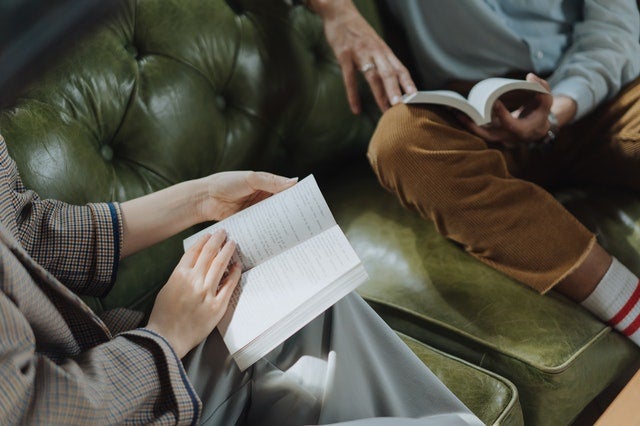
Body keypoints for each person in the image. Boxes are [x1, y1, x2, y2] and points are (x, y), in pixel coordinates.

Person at [0, 130, 485, 425]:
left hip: (109, 358)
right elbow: (30, 413)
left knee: (303, 299)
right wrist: (164, 336)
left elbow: (22, 229)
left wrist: (201, 199)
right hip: (101, 397)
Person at [309, 0, 640, 346]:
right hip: (473, 124)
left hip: (593, 98)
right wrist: (336, 10)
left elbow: (613, 30)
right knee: (399, 141)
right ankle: (631, 306)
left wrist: (558, 109)